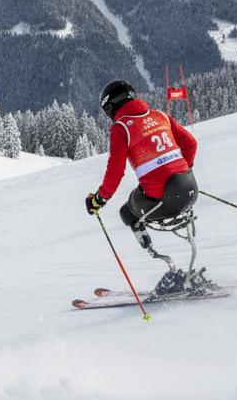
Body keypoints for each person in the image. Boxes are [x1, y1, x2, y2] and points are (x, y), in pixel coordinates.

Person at [85, 80, 202, 293]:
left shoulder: (121, 128)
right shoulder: (160, 116)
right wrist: (182, 171)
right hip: (190, 189)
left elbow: (115, 171)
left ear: (109, 107)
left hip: (161, 201)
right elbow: (190, 144)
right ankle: (186, 273)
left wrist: (99, 199)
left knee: (126, 213)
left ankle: (166, 264)